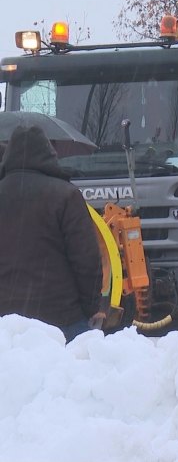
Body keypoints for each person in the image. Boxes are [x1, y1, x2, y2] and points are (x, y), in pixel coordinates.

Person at [0, 125, 104, 342]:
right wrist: (90, 308)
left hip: (5, 322)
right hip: (61, 318)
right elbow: (87, 260)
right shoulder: (66, 196)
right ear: (49, 155)